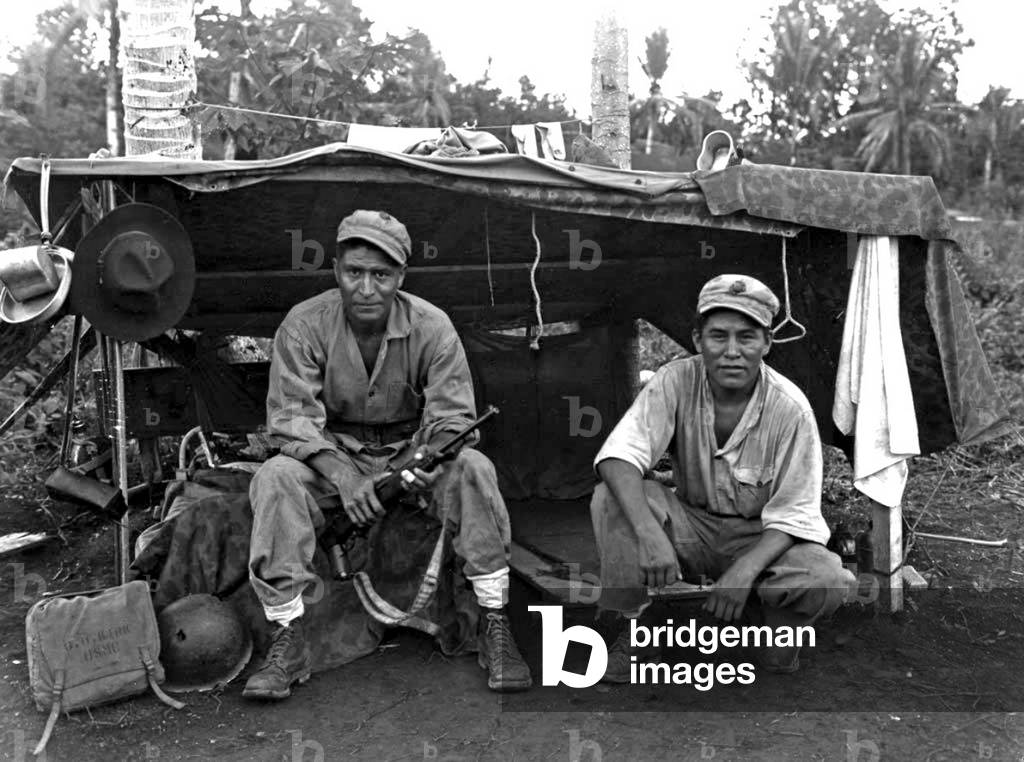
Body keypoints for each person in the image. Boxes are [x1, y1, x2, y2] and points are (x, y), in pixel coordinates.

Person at [243, 209, 532, 699]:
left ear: (400, 276)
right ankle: (287, 639)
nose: (366, 288)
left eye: (381, 275)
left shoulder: (432, 326)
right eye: (354, 272)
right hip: (332, 456)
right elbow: (291, 422)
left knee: (474, 468)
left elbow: (454, 420)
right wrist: (342, 475)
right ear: (336, 271)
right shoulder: (304, 325)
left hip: (411, 453)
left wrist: (426, 460)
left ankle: (493, 624)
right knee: (275, 477)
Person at [590, 274, 856, 681]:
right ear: (697, 339)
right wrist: (648, 532)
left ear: (767, 343)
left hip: (760, 535)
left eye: (747, 337)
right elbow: (618, 457)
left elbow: (795, 515)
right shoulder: (675, 380)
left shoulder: (791, 409)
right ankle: (634, 627)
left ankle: (770, 625)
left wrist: (744, 570)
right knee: (612, 499)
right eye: (719, 336)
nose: (732, 352)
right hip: (691, 525)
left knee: (826, 578)